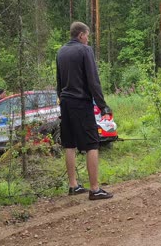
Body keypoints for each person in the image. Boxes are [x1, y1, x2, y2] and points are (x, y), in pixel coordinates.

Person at [56, 21, 113, 200]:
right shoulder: (84, 50)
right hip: (81, 103)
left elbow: (59, 81)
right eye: (87, 35)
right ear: (81, 35)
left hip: (65, 102)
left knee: (70, 144)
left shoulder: (61, 52)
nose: (88, 39)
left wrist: (62, 100)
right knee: (92, 144)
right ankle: (95, 189)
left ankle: (73, 186)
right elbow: (93, 80)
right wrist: (103, 105)